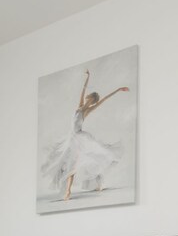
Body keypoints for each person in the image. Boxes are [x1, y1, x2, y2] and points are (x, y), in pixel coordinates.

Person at [41, 69, 130, 201]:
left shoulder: (88, 110)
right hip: (71, 138)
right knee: (66, 163)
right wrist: (88, 77)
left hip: (79, 139)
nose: (88, 98)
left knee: (75, 164)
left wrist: (117, 90)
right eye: (89, 97)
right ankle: (91, 185)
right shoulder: (80, 106)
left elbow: (104, 99)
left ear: (93, 101)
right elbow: (83, 90)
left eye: (91, 98)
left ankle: (68, 192)